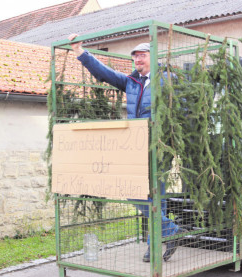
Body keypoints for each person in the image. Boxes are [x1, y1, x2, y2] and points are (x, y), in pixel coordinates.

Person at [68, 34, 179, 262]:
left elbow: (180, 109)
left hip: (159, 145)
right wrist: (81, 52)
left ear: (154, 57)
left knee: (158, 195)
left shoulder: (167, 79)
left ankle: (155, 244)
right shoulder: (131, 81)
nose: (138, 60)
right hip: (136, 146)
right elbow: (104, 73)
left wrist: (171, 137)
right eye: (135, 57)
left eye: (142, 56)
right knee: (130, 190)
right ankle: (170, 231)